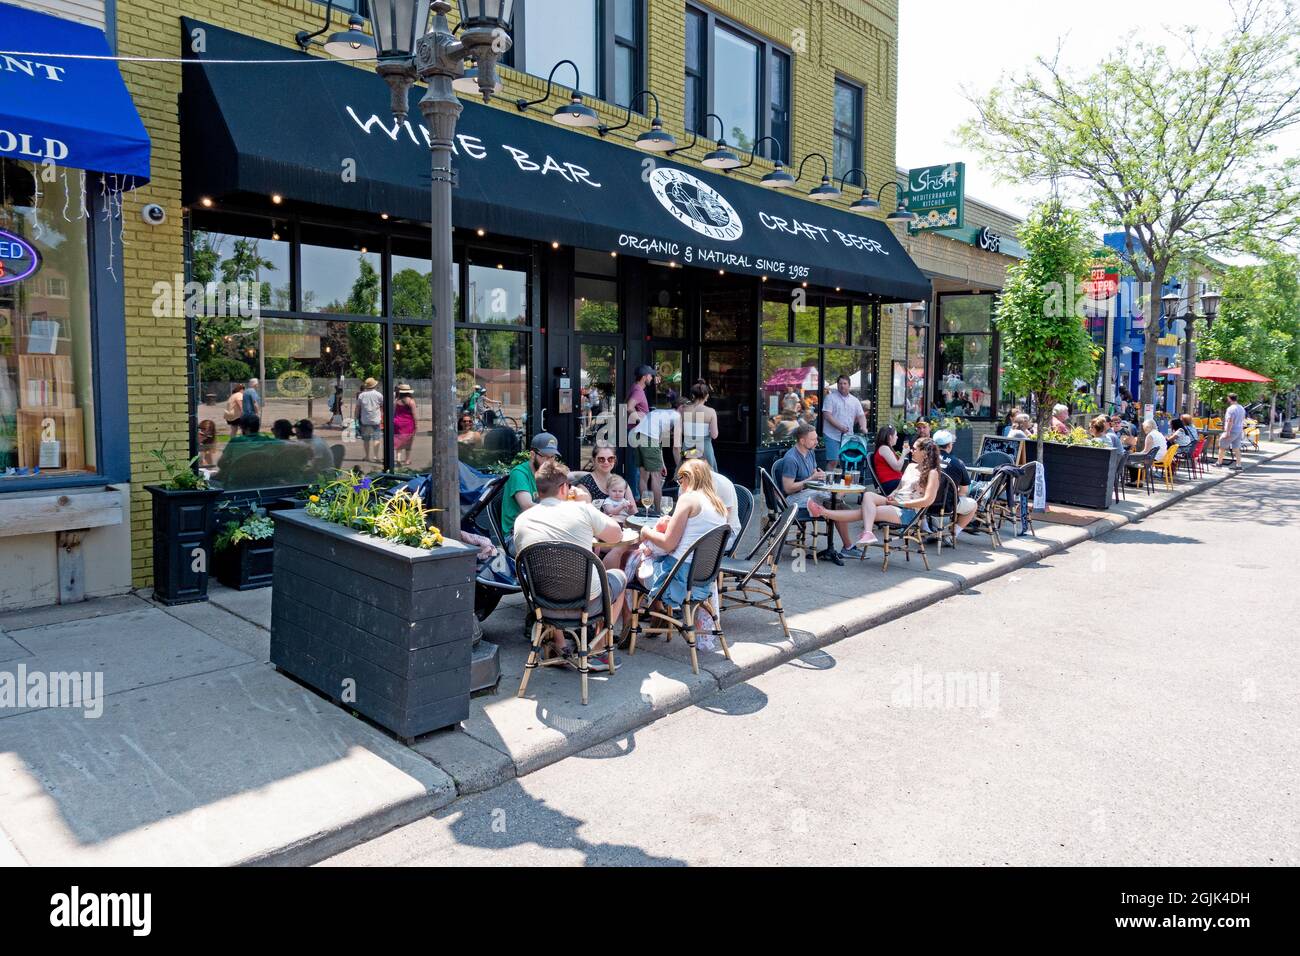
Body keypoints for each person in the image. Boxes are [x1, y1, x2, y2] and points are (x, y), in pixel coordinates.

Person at [511, 459, 627, 671]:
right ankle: (597, 650)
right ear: (564, 488)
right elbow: (617, 534)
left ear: (539, 489)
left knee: (549, 575)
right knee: (619, 575)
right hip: (585, 604)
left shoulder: (522, 520)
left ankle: (560, 644)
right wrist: (586, 504)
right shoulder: (582, 510)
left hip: (543, 604)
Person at [636, 458, 730, 639]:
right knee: (644, 557)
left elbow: (668, 543)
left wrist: (646, 532)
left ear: (687, 477)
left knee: (631, 560)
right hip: (703, 580)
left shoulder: (688, 499)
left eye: (680, 480)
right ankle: (659, 614)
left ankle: (643, 620)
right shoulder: (719, 505)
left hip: (676, 580)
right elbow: (693, 535)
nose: (680, 485)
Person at [809, 438, 943, 553]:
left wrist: (899, 503)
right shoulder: (910, 467)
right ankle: (868, 532)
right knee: (868, 495)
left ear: (925, 453)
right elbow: (899, 487)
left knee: (867, 512)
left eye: (915, 449)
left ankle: (823, 512)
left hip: (907, 512)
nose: (911, 451)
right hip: (895, 502)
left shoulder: (932, 473)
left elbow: (927, 501)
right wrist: (892, 495)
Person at [777, 423, 849, 564]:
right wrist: (811, 478)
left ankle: (843, 544)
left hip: (809, 492)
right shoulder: (791, 458)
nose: (817, 442)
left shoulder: (810, 453)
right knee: (835, 502)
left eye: (817, 438)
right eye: (813, 439)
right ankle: (847, 545)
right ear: (802, 441)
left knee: (838, 495)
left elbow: (813, 472)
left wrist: (819, 475)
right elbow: (788, 488)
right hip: (793, 499)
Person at [502, 432, 571, 542]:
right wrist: (560, 512)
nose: (550, 461)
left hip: (542, 528)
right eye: (546, 457)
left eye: (553, 457)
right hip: (517, 534)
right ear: (533, 455)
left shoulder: (546, 471)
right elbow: (527, 505)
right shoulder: (519, 473)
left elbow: (571, 475)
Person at [682, 446, 740, 542]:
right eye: (688, 464)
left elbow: (724, 519)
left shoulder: (722, 483)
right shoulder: (684, 483)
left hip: (725, 533)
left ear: (705, 463)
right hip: (695, 529)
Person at [632, 403, 680, 514]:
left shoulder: (660, 413)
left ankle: (646, 509)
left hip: (638, 436)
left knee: (644, 475)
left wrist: (662, 463)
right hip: (649, 439)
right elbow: (676, 448)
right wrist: (680, 467)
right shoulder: (677, 415)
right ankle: (658, 512)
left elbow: (658, 442)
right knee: (656, 477)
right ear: (681, 407)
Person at [933, 429, 976, 538]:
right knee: (973, 504)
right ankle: (952, 534)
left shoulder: (926, 459)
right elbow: (964, 491)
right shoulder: (958, 463)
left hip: (924, 504)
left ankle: (927, 529)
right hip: (946, 506)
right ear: (949, 446)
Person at [572, 443, 635, 517]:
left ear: (615, 460)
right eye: (601, 459)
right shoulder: (585, 484)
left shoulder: (620, 482)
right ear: (593, 460)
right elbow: (586, 516)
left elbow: (634, 513)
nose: (606, 462)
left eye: (610, 459)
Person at [821, 374, 869, 468]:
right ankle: (829, 481)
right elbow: (827, 415)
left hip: (848, 437)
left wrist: (864, 428)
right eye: (840, 383)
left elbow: (861, 415)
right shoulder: (830, 398)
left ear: (849, 385)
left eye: (844, 383)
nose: (842, 385)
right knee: (833, 461)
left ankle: (843, 482)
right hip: (832, 435)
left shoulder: (855, 400)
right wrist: (840, 427)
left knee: (847, 462)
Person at [625, 364, 654, 498]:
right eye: (650, 375)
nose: (652, 378)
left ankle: (633, 495)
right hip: (636, 432)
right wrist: (641, 422)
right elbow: (629, 406)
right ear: (644, 377)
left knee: (634, 465)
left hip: (633, 432)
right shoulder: (638, 390)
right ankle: (635, 497)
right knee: (636, 467)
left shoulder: (636, 388)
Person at [680, 380, 719, 470]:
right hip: (704, 449)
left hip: (688, 447)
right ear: (706, 396)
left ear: (693, 395)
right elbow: (714, 435)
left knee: (689, 475)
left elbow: (682, 431)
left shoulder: (684, 409)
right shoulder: (711, 411)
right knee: (708, 476)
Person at [354, 377, 384, 463]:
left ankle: (367, 456)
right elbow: (382, 406)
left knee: (366, 439)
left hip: (365, 420)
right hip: (376, 420)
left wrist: (355, 418)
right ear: (374, 385)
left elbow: (357, 408)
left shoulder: (362, 395)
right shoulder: (379, 395)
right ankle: (375, 456)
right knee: (376, 438)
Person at [872, 425, 907, 494]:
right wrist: (904, 453)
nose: (897, 437)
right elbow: (898, 467)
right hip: (891, 483)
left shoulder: (885, 448)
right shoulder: (884, 448)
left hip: (892, 482)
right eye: (896, 435)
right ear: (890, 437)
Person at [1216, 393, 1245, 469]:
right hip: (1239, 430)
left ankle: (1219, 463)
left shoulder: (1231, 409)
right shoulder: (1241, 408)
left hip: (1232, 430)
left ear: (1229, 398)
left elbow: (1230, 421)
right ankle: (1239, 465)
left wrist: (1227, 432)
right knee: (1236, 448)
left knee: (1222, 446)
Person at [393, 383, 417, 466]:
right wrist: (416, 425)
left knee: (398, 440)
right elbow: (414, 415)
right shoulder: (411, 401)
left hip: (397, 422)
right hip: (408, 423)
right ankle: (407, 460)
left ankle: (398, 458)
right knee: (408, 442)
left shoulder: (396, 401)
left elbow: (393, 412)